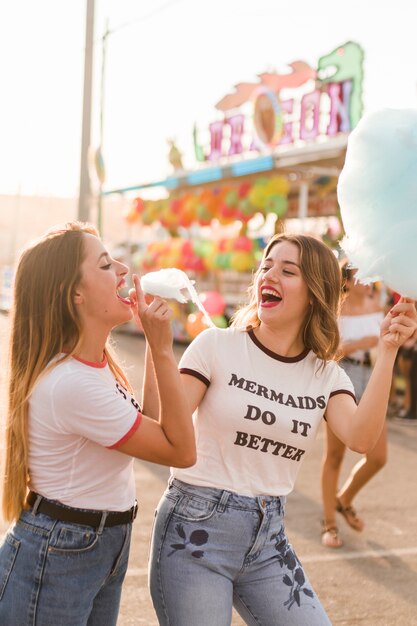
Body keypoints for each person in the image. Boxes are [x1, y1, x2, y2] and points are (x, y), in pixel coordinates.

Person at [148, 232, 417, 626]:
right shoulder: (215, 346)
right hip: (194, 533)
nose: (268, 275)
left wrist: (389, 350)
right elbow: (164, 429)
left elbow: (361, 437)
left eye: (288, 271)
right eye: (266, 266)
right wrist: (157, 350)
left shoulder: (326, 375)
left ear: (314, 294)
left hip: (269, 540)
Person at [0, 221, 196, 626]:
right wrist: (161, 348)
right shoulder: (72, 383)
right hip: (62, 548)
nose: (125, 270)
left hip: (97, 542)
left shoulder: (92, 366)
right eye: (106, 264)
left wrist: (153, 347)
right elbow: (180, 450)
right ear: (75, 295)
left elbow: (148, 425)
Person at [320, 264, 385, 548]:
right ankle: (330, 525)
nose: (368, 280)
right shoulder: (335, 310)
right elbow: (327, 352)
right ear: (346, 281)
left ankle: (343, 499)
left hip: (373, 378)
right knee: (335, 455)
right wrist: (361, 342)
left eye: (371, 274)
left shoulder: (377, 304)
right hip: (343, 375)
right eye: (361, 275)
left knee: (378, 456)